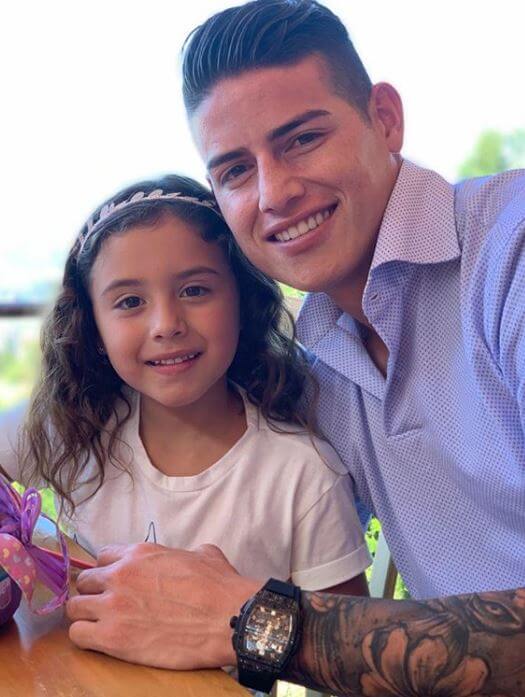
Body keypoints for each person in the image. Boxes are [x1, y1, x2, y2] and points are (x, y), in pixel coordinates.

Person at [66, 1, 525, 695]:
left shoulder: (508, 258)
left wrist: (249, 620)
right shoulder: (318, 362)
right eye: (234, 171)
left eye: (301, 139)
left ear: (385, 118)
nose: (274, 192)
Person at [0, 173, 371, 599]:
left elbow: (341, 646)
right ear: (94, 330)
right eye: (130, 302)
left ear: (243, 303)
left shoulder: (303, 477)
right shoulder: (72, 425)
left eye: (195, 290)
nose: (166, 325)